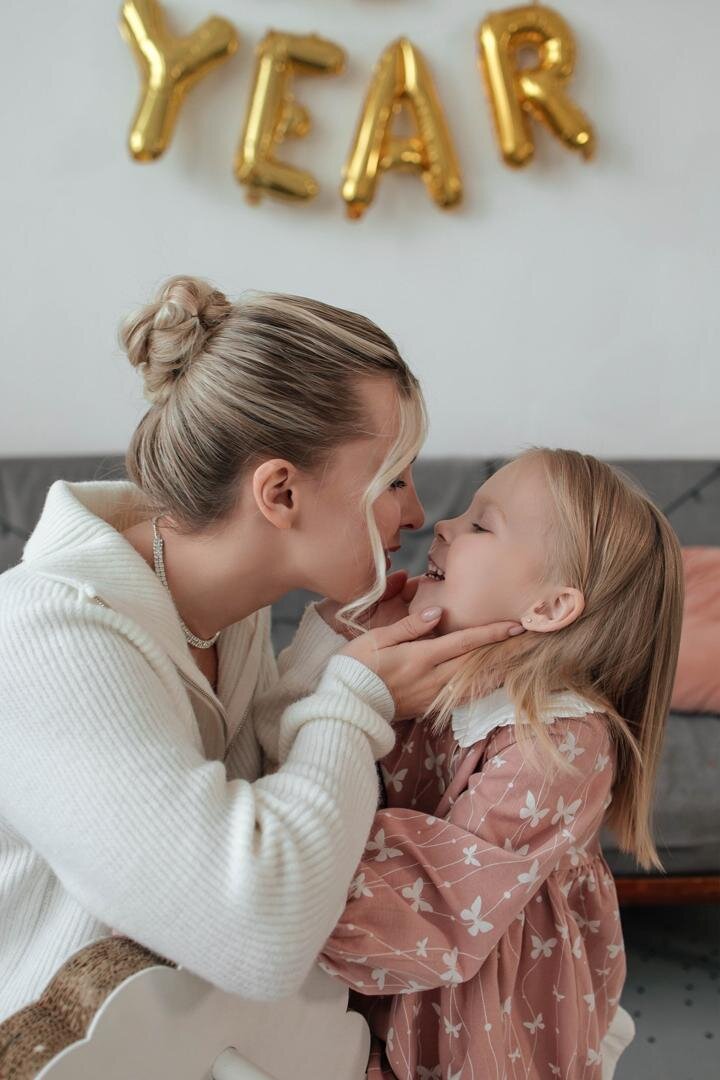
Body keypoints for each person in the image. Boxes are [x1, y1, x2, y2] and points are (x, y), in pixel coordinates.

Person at [0, 277, 521, 1023]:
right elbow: (261, 935)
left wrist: (332, 644)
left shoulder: (221, 616)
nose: (415, 513)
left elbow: (259, 809)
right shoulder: (50, 639)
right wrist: (354, 698)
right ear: (279, 494)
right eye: (394, 479)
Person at [308, 448, 683, 1079]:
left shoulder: (556, 743)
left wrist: (271, 899)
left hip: (476, 1007)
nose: (445, 526)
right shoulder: (423, 663)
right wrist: (348, 635)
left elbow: (434, 907)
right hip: (379, 967)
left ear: (549, 608)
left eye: (481, 525)